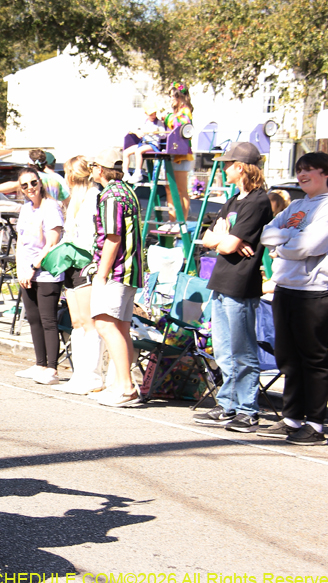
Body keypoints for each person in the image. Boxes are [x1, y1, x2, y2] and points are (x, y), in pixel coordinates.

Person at [258, 152, 328, 445]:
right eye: (300, 169)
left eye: (310, 169)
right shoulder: (297, 205)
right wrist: (287, 240)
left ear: (326, 174)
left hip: (314, 291)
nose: (303, 174)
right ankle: (291, 418)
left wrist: (283, 244)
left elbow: (310, 245)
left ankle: (316, 425)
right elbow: (266, 232)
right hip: (286, 287)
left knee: (314, 358)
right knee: (288, 357)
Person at [193, 143, 273, 433]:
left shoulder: (257, 201)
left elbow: (225, 242)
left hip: (241, 283)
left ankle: (248, 410)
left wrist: (224, 239)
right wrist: (222, 239)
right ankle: (227, 405)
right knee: (224, 350)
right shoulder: (232, 201)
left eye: (227, 164)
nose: (223, 169)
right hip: (222, 279)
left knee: (243, 350)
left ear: (240, 167)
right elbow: (209, 237)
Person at [86, 148, 143, 407]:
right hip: (130, 270)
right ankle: (124, 384)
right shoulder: (127, 190)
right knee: (119, 327)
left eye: (93, 166)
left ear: (100, 169)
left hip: (117, 270)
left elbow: (113, 237)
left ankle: (125, 387)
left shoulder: (110, 195)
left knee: (105, 325)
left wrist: (101, 273)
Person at [54, 155, 105, 395]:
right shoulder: (73, 200)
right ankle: (80, 373)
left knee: (89, 321)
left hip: (86, 262)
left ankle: (93, 376)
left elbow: (96, 235)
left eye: (67, 173)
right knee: (76, 321)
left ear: (73, 175)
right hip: (70, 262)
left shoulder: (94, 197)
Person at [13, 167, 65, 385]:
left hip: (46, 272)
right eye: (25, 185)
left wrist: (33, 267)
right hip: (28, 272)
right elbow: (21, 242)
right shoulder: (26, 209)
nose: (30, 188)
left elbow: (52, 242)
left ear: (40, 182)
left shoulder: (50, 207)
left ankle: (52, 368)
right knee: (33, 319)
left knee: (48, 320)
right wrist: (21, 270)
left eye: (33, 183)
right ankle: (40, 363)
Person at [0, 149, 70, 207]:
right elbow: (67, 200)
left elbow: (12, 185)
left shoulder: (32, 179)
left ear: (29, 164)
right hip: (54, 218)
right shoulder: (55, 179)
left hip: (38, 218)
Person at [162, 83, 195, 224]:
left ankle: (182, 222)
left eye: (172, 96)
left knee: (181, 189)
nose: (171, 100)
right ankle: (172, 219)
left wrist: (167, 116)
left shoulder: (185, 110)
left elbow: (180, 124)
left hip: (182, 155)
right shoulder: (176, 111)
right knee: (169, 188)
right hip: (171, 154)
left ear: (180, 96)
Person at [122, 101, 166, 183]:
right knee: (126, 152)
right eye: (151, 114)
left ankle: (138, 172)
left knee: (138, 151)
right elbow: (133, 128)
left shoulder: (158, 122)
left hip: (153, 144)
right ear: (146, 113)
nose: (153, 116)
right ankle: (125, 173)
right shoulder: (144, 122)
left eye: (154, 113)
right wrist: (137, 132)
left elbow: (164, 135)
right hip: (143, 143)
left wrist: (157, 132)